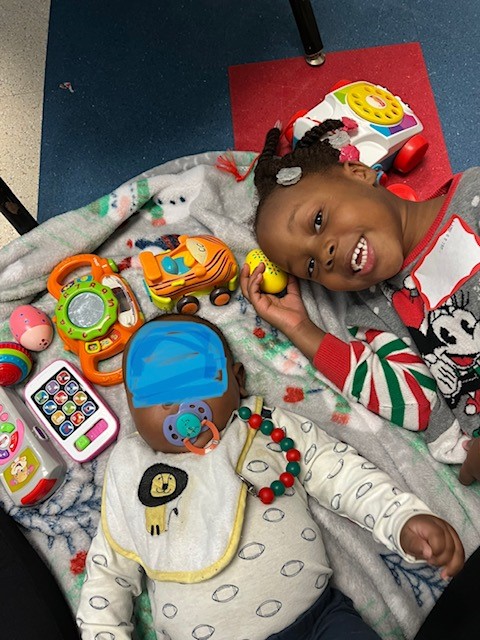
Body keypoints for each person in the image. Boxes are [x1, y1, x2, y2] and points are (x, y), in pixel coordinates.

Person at [76, 314, 464, 640]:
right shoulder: (134, 471)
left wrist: (400, 518)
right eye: (154, 391)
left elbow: (340, 471)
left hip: (319, 624)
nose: (177, 404)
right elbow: (107, 573)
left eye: (195, 378)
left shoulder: (265, 427)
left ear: (237, 379)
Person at [240, 120, 480, 486]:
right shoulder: (370, 308)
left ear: (359, 173)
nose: (324, 254)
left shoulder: (472, 199)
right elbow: (417, 403)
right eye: (310, 266)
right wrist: (300, 328)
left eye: (318, 221)